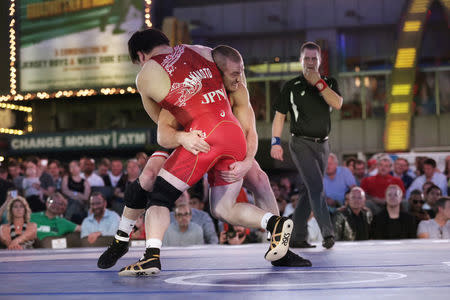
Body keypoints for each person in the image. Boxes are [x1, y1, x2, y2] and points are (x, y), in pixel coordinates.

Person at [99, 29, 306, 276]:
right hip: (220, 134)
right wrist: (186, 136)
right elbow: (171, 129)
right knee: (153, 178)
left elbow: (162, 127)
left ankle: (149, 254)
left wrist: (247, 160)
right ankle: (122, 239)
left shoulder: (148, 74)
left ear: (141, 56)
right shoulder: (208, 54)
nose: (236, 81)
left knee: (162, 193)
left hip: (201, 137)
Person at [270, 41, 343, 249]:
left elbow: (337, 104)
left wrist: (319, 83)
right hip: (300, 143)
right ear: (301, 60)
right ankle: (328, 233)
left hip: (323, 145)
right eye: (307, 58)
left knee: (308, 189)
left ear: (320, 61)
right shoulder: (292, 86)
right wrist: (275, 142)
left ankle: (297, 236)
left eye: (314, 59)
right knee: (317, 186)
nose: (311, 62)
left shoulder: (329, 82)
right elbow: (279, 116)